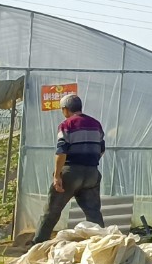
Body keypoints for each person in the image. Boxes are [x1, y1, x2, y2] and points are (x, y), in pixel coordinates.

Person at [31, 93, 107, 243]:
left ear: (66, 109)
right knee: (93, 213)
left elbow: (61, 151)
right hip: (92, 172)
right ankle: (102, 244)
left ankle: (38, 244)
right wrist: (90, 162)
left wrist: (57, 175)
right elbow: (102, 148)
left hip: (71, 172)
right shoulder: (96, 124)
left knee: (52, 211)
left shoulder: (67, 125)